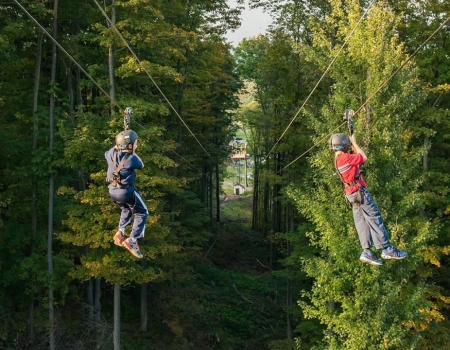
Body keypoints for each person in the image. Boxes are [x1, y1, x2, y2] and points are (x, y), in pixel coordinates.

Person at [329, 133, 407, 266]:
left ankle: (367, 251)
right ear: (345, 145)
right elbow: (364, 157)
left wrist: (353, 149)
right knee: (374, 217)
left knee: (362, 222)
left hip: (351, 195)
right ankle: (386, 248)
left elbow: (355, 167)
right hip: (359, 192)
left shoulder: (338, 159)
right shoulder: (345, 158)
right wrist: (355, 143)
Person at [105, 130, 148, 259]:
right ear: (129, 146)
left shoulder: (110, 154)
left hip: (113, 191)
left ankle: (121, 231)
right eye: (135, 143)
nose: (137, 145)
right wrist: (132, 151)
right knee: (142, 212)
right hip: (125, 191)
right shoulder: (131, 158)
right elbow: (141, 164)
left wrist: (122, 141)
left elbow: (111, 150)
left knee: (126, 208)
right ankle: (132, 240)